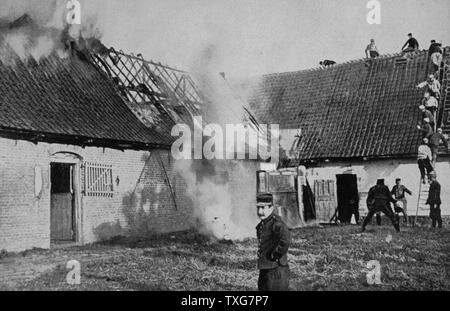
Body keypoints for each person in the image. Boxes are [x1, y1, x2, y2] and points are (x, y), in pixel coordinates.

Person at [256, 193, 291, 291]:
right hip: (265, 269)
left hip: (277, 270)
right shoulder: (262, 225)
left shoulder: (277, 223)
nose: (260, 211)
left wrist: (275, 255)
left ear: (271, 208)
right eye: (258, 208)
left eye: (263, 208)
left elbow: (285, 240)